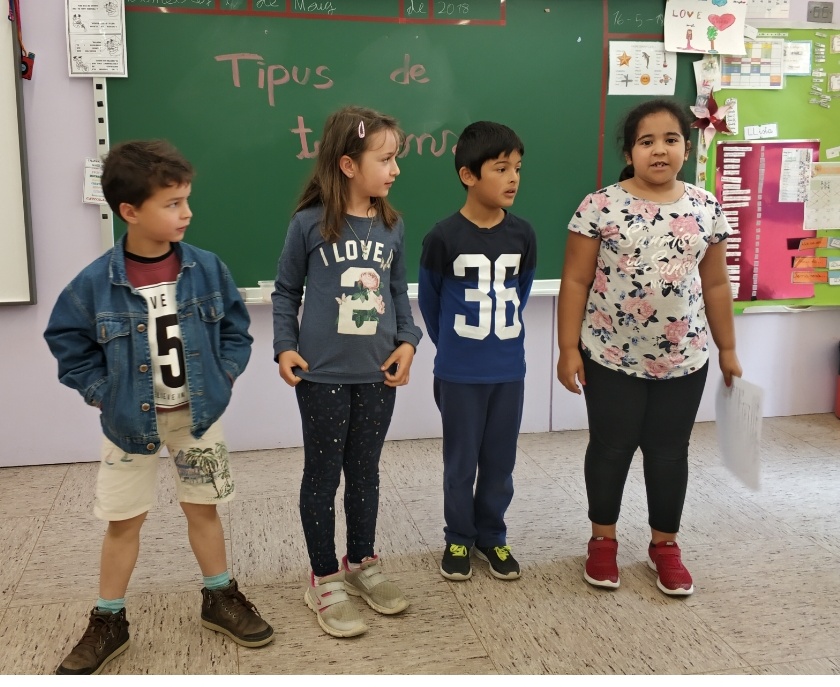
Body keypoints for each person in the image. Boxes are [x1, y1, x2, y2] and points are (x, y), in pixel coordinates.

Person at [43, 140, 274, 675]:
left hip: (198, 419)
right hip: (128, 425)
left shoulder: (207, 269)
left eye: (186, 199)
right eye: (172, 203)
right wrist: (102, 392)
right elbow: (67, 341)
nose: (186, 212)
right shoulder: (94, 283)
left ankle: (219, 595)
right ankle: (109, 618)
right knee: (123, 520)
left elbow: (236, 331)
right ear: (129, 211)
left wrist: (224, 375)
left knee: (203, 508)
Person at [555, 99, 742, 596]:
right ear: (629, 152)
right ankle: (603, 540)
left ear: (687, 148)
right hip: (610, 355)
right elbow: (575, 280)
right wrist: (568, 347)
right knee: (611, 447)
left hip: (685, 359)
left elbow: (716, 285)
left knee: (668, 452)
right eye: (646, 141)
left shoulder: (706, 208)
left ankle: (665, 546)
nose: (659, 150)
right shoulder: (600, 206)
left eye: (670, 139)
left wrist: (727, 349)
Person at [271, 105, 422, 638]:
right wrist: (284, 347)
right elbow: (286, 291)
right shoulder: (308, 224)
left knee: (365, 471)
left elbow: (398, 292)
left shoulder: (392, 226)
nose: (395, 169)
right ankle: (324, 576)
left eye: (396, 158)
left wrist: (408, 341)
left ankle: (361, 561)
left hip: (376, 374)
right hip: (322, 376)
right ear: (348, 164)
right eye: (385, 159)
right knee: (323, 473)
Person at [418, 121, 537, 583]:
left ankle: (492, 535)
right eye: (501, 168)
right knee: (461, 462)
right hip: (460, 373)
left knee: (500, 462)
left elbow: (521, 293)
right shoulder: (443, 236)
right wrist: (453, 351)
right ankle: (458, 537)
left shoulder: (523, 234)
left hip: (508, 370)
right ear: (468, 175)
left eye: (518, 168)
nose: (513, 178)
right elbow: (431, 303)